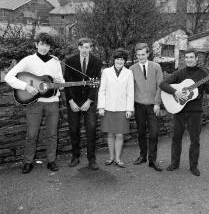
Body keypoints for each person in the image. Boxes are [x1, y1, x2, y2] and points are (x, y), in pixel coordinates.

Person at [4, 33, 65, 174]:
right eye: (42, 44)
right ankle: (28, 162)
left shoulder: (55, 62)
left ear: (50, 46)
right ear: (36, 44)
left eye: (47, 45)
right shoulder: (28, 60)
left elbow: (60, 83)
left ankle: (51, 161)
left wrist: (59, 83)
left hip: (53, 102)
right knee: (31, 134)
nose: (44, 47)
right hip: (35, 103)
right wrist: (26, 87)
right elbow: (8, 77)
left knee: (52, 134)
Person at [159, 48, 209, 176]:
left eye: (191, 57)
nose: (188, 60)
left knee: (195, 140)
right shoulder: (180, 73)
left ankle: (193, 166)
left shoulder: (203, 73)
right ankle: (174, 163)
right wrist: (175, 92)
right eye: (186, 57)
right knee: (176, 138)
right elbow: (163, 84)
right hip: (179, 110)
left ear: (196, 58)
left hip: (195, 112)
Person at [64, 37, 102, 170]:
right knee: (74, 130)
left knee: (91, 130)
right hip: (73, 102)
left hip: (88, 102)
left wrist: (89, 101)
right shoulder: (69, 61)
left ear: (91, 48)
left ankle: (92, 159)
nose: (85, 50)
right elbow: (66, 83)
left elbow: (96, 83)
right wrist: (70, 101)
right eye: (83, 47)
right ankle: (75, 156)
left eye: (88, 47)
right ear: (79, 47)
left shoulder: (97, 62)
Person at [130, 43, 164, 172]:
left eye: (143, 54)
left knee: (154, 133)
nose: (141, 57)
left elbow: (160, 86)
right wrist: (130, 106)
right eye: (138, 55)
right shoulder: (132, 69)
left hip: (152, 106)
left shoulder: (156, 67)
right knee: (141, 132)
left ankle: (153, 160)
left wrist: (157, 103)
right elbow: (130, 88)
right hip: (138, 105)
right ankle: (143, 156)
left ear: (148, 54)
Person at [98, 48, 134, 168]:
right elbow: (102, 90)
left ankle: (118, 158)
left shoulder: (128, 73)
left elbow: (130, 92)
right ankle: (111, 157)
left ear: (125, 61)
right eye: (118, 59)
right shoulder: (106, 72)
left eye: (122, 59)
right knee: (110, 134)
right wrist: (101, 107)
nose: (120, 61)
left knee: (119, 134)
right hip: (108, 107)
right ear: (114, 60)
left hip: (122, 108)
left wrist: (129, 109)